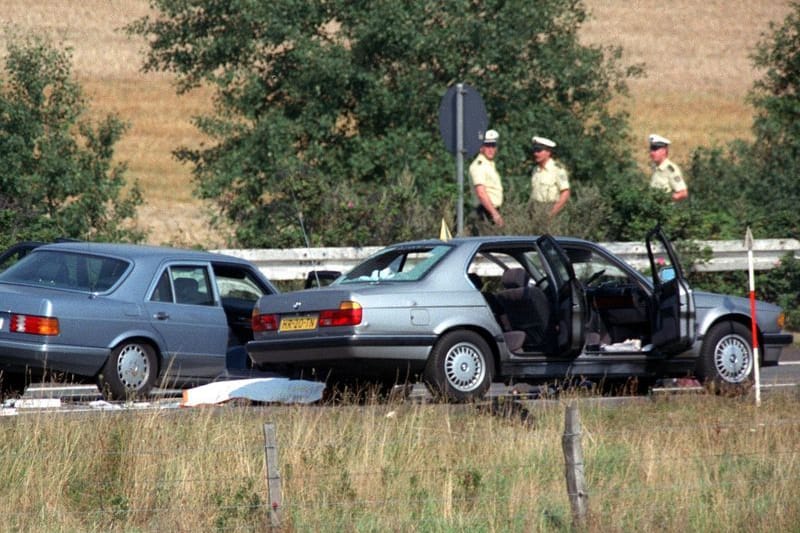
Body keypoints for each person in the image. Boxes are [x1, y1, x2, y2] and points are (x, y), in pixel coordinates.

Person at [468, 129, 504, 231]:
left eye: (493, 145)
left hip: (492, 211)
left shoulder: (489, 165)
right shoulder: (479, 165)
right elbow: (481, 193)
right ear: (481, 148)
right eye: (487, 146)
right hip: (485, 212)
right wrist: (495, 214)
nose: (491, 149)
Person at [529, 136, 570, 217]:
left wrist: (551, 213)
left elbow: (565, 193)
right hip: (535, 210)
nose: (536, 154)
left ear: (548, 152)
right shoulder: (535, 170)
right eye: (534, 150)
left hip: (551, 209)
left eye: (539, 150)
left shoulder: (558, 170)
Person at [648, 133, 688, 201]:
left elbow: (683, 193)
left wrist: (665, 200)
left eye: (655, 149)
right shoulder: (655, 168)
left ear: (664, 150)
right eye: (651, 149)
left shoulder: (670, 169)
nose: (652, 153)